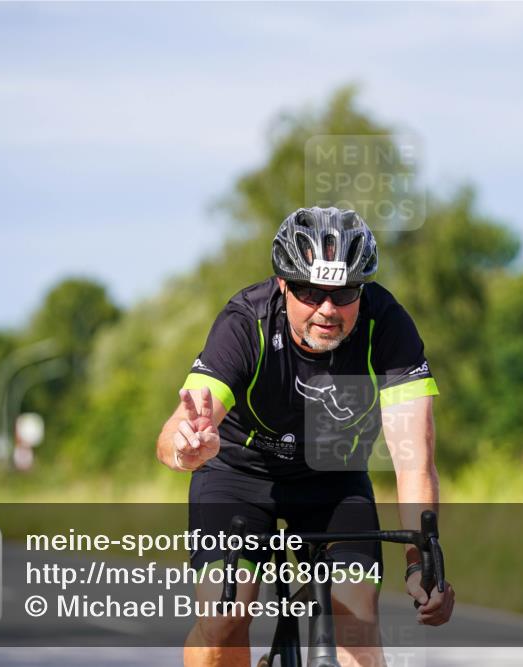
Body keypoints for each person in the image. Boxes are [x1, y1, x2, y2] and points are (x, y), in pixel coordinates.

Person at [156, 206, 455, 667]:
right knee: (223, 617)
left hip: (332, 481)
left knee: (356, 620)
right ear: (283, 284)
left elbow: (413, 462)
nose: (328, 309)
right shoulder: (246, 321)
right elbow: (178, 429)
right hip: (238, 475)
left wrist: (421, 562)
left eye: (345, 292)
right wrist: (188, 449)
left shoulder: (388, 326)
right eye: (311, 292)